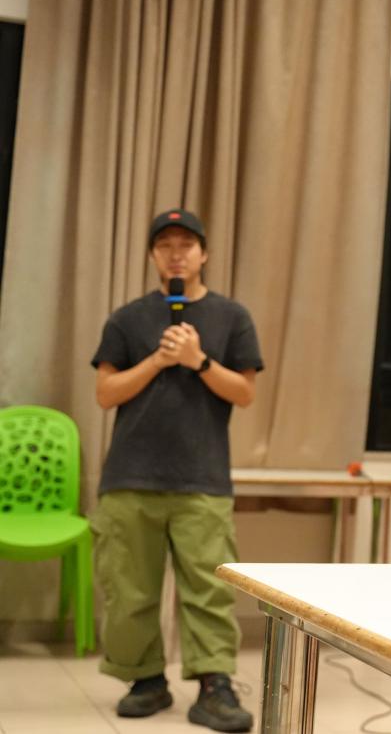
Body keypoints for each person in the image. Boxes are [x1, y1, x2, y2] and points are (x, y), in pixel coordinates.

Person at [91, 209, 262, 733]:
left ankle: (214, 686)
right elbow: (105, 393)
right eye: (164, 244)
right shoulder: (126, 319)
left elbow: (245, 393)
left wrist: (198, 360)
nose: (176, 254)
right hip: (130, 476)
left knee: (209, 588)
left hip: (202, 477)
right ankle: (144, 680)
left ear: (203, 253)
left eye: (186, 244)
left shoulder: (232, 317)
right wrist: (158, 361)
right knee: (129, 589)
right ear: (152, 255)